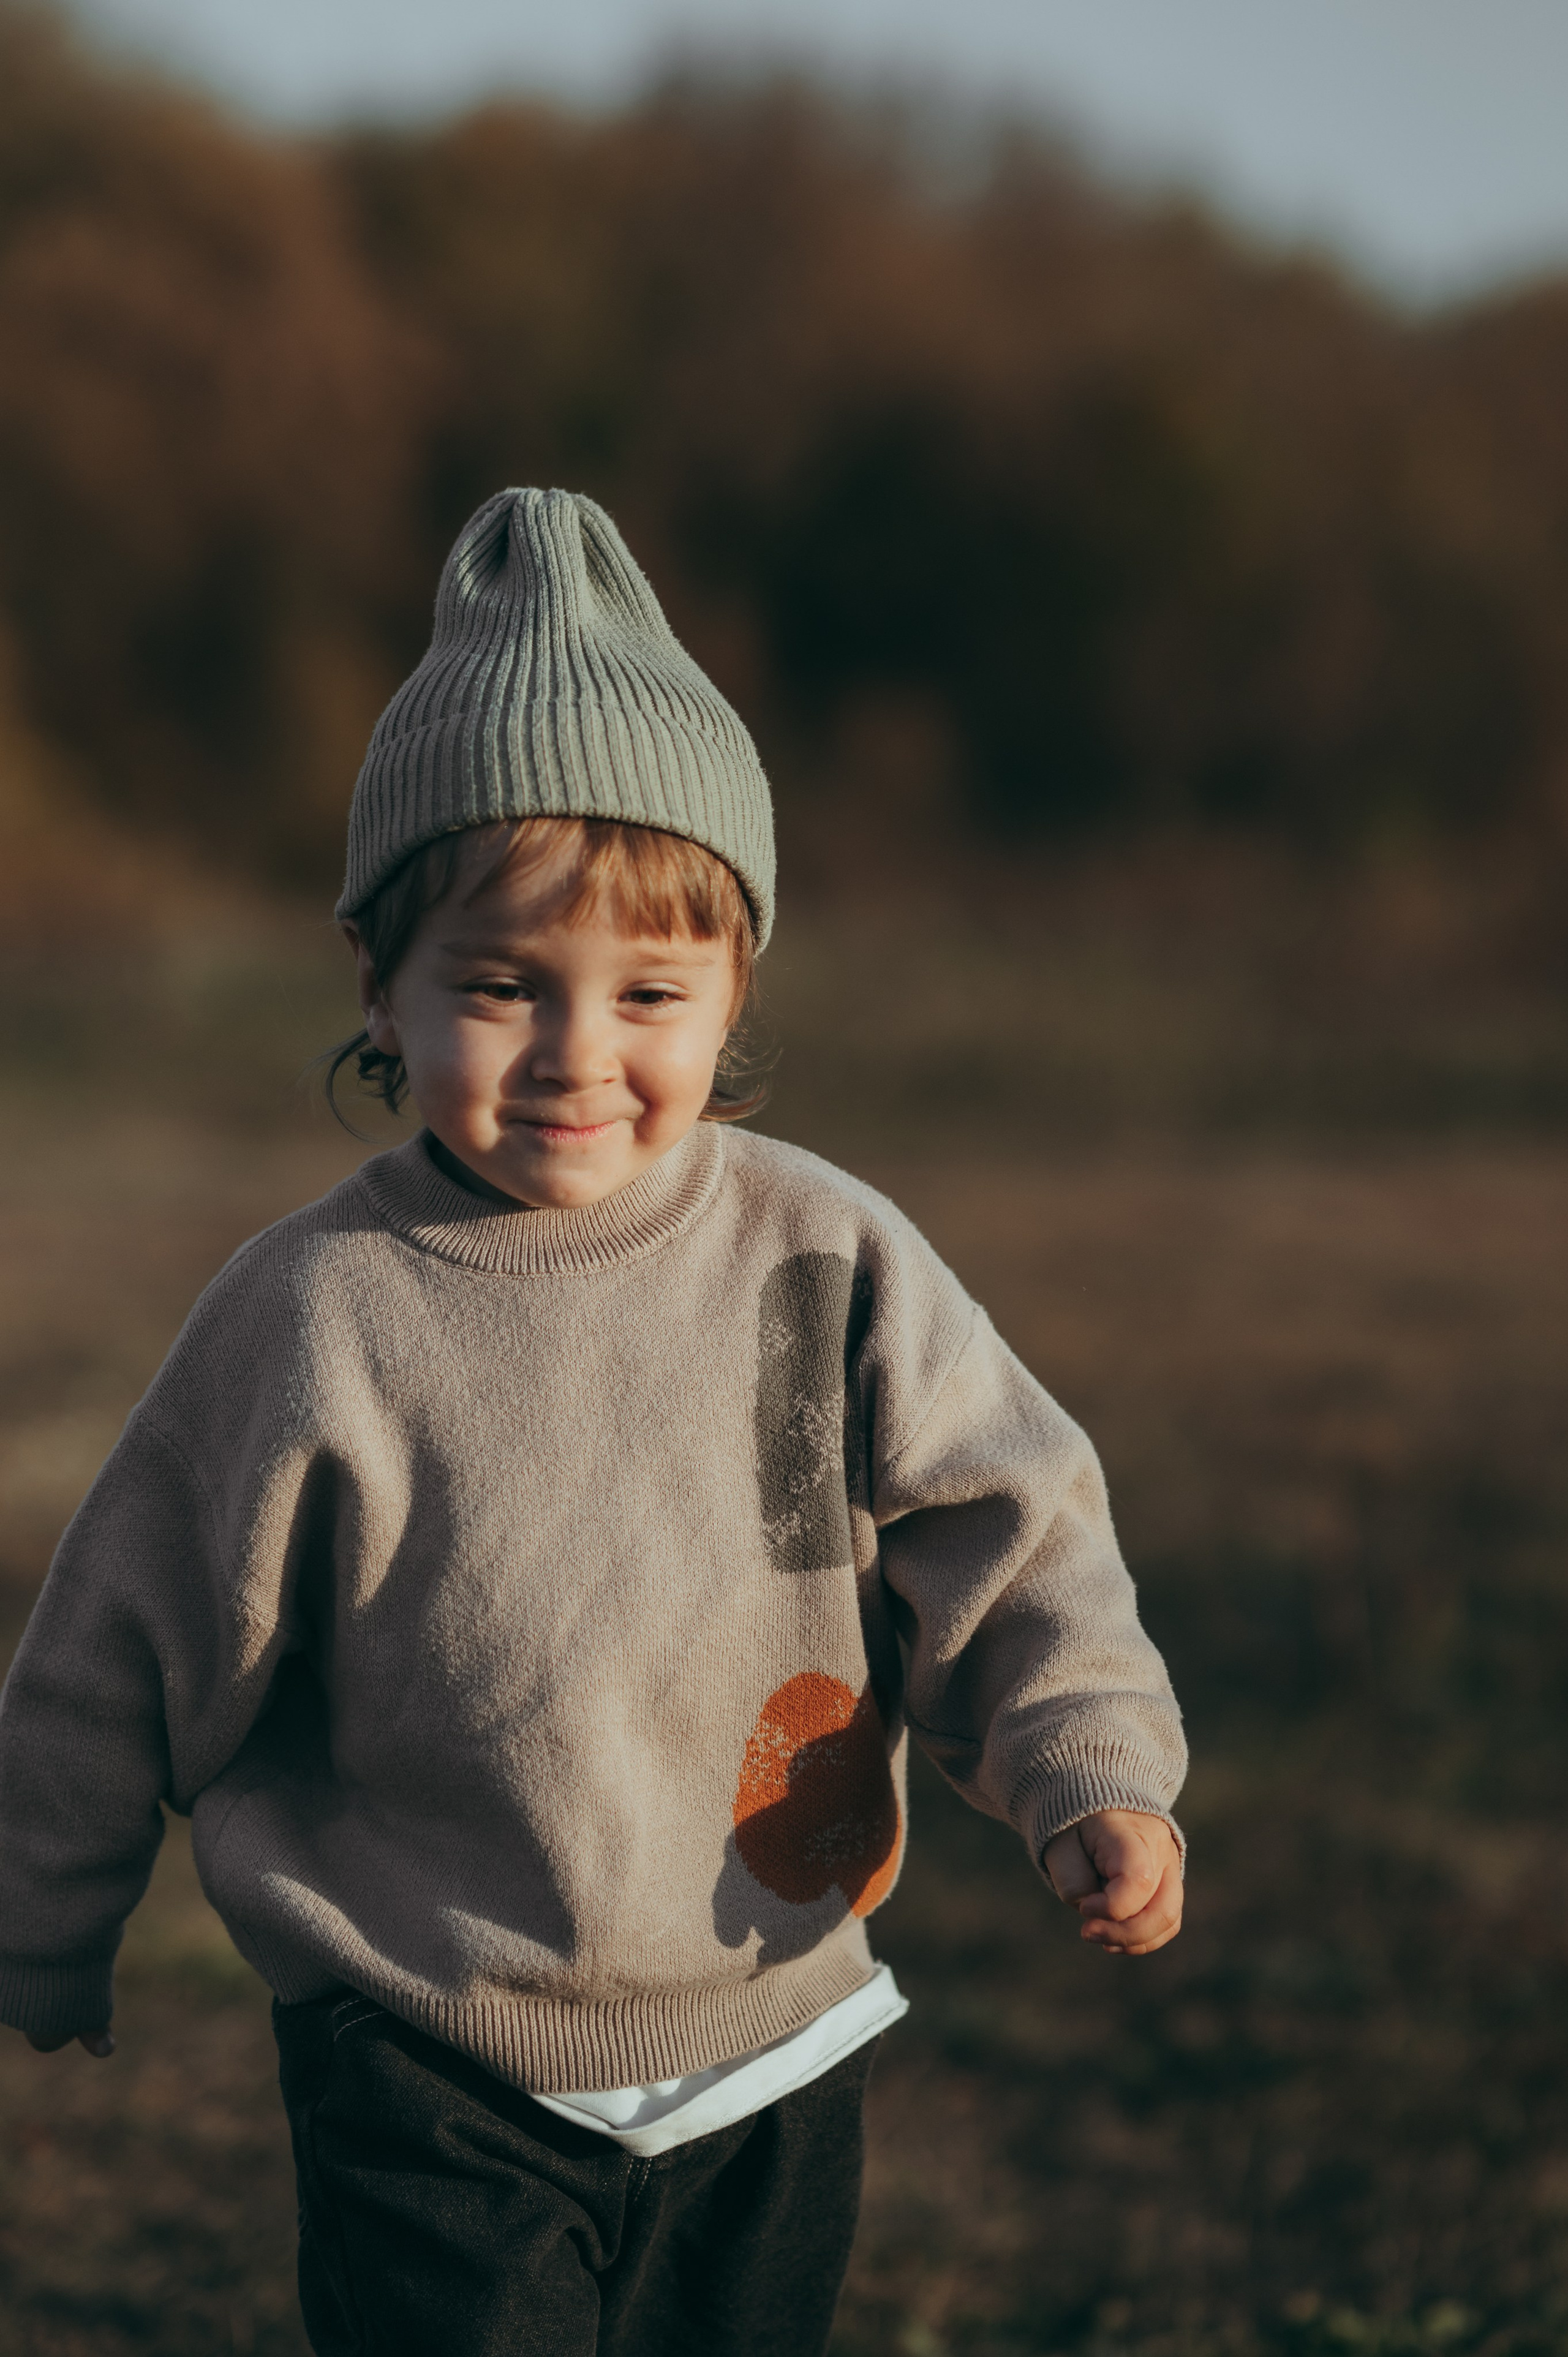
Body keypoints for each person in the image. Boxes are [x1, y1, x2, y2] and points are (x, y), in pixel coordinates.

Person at [0, 488, 1186, 2357]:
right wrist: (40, 1908)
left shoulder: (819, 1258)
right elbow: (119, 1644)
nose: (578, 1053)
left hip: (771, 2034)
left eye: (649, 992)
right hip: (428, 2049)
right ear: (378, 986)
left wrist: (1087, 1766)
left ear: (734, 991)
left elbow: (1009, 1522)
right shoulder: (315, 1313)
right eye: (501, 986)